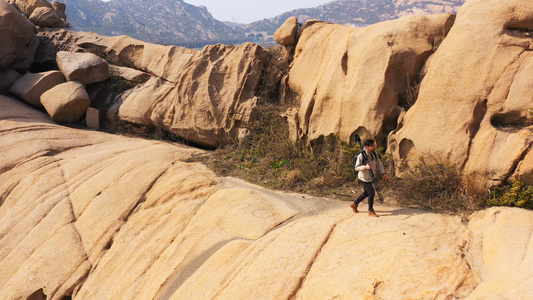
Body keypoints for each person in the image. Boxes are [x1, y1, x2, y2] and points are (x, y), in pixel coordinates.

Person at [351, 139, 388, 217]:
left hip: (371, 177)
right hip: (364, 178)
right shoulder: (362, 155)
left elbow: (379, 164)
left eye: (374, 145)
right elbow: (356, 167)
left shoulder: (374, 154)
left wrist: (384, 173)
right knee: (371, 192)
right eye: (372, 146)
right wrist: (365, 167)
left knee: (366, 193)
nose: (373, 147)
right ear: (367, 147)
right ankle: (371, 211)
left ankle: (355, 204)